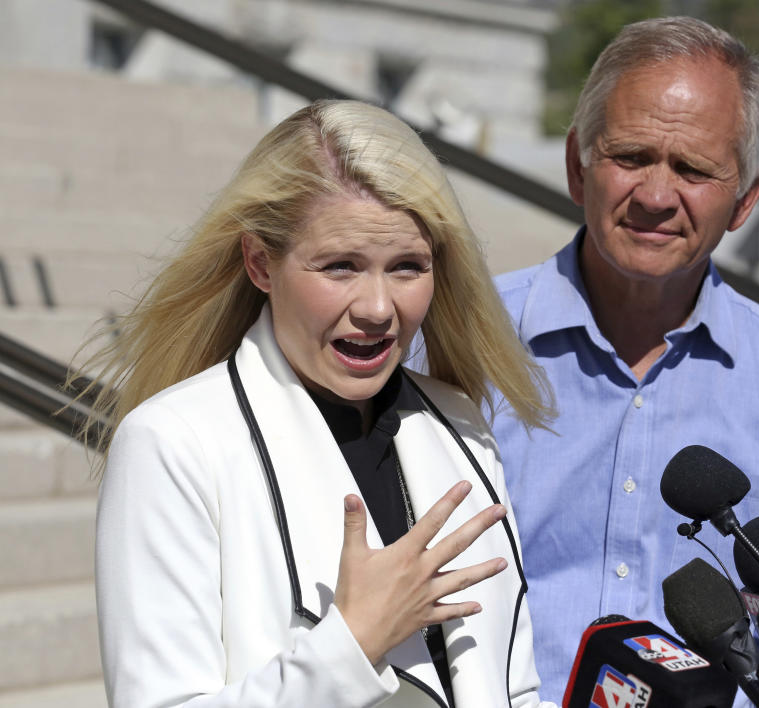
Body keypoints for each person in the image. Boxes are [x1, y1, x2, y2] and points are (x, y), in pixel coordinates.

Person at [78, 99, 557, 708]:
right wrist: (352, 645)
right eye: (340, 266)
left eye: (408, 267)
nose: (378, 308)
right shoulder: (172, 442)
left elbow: (511, 688)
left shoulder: (460, 423)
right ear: (260, 263)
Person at [489, 16, 759, 702]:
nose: (656, 196)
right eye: (631, 156)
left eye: (692, 169)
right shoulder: (461, 344)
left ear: (746, 197)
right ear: (577, 166)